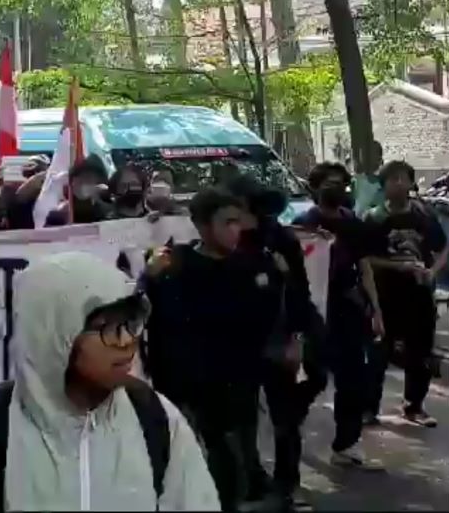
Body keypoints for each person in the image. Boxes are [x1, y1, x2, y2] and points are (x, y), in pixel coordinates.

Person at [0, 252, 219, 511]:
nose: (126, 341)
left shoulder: (158, 420)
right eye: (106, 328)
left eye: (130, 323)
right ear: (54, 333)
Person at [141, 187, 274, 511]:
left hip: (238, 388)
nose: (235, 230)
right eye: (226, 222)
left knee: (233, 471)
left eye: (238, 222)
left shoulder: (250, 266)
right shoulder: (175, 267)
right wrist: (149, 277)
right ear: (202, 225)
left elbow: (267, 318)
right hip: (190, 389)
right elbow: (150, 318)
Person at [225, 174, 325, 510]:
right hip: (239, 344)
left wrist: (296, 340)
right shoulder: (223, 240)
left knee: (285, 417)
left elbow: (299, 294)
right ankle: (250, 480)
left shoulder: (279, 239)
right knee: (241, 418)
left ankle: (287, 484)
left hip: (280, 340)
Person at [293, 162, 384, 471]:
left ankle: (345, 444)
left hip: (348, 309)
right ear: (315, 188)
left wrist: (376, 309)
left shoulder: (352, 223)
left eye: (339, 182)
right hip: (316, 309)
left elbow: (365, 267)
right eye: (327, 182)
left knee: (354, 379)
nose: (334, 187)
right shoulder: (304, 223)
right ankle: (290, 420)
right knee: (315, 376)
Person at [364, 160, 448, 428]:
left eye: (404, 178)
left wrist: (433, 271)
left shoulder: (424, 215)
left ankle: (414, 406)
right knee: (378, 354)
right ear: (383, 185)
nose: (399, 184)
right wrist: (398, 265)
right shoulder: (373, 218)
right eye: (392, 179)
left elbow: (443, 247)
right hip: (385, 297)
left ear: (412, 183)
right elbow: (365, 259)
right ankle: (369, 408)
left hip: (419, 295)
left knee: (420, 353)